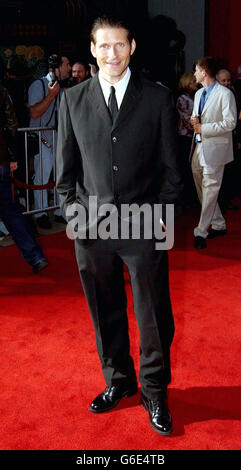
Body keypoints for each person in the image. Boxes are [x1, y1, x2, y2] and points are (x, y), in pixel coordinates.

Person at [56, 16, 183, 436]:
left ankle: (154, 390)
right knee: (104, 312)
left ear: (132, 47)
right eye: (103, 46)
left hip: (144, 225)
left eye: (120, 45)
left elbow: (171, 170)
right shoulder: (72, 100)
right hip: (91, 228)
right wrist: (75, 215)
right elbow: (65, 173)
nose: (112, 54)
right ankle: (118, 381)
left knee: (152, 315)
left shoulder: (157, 99)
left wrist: (162, 220)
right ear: (92, 50)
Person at [0, 81, 48, 274]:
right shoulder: (2, 90)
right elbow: (12, 124)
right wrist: (10, 156)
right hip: (1, 159)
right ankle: (35, 256)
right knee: (10, 210)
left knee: (9, 210)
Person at [190, 57, 237, 249]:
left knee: (210, 189)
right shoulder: (198, 93)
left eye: (195, 70)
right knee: (204, 189)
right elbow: (197, 120)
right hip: (198, 147)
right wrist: (194, 122)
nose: (193, 73)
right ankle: (218, 223)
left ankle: (201, 231)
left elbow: (230, 122)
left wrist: (204, 128)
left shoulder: (225, 94)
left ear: (203, 73)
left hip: (216, 149)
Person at [28, 54, 71, 229]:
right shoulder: (38, 85)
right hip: (41, 138)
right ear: (57, 67)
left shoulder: (61, 88)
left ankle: (60, 210)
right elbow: (34, 112)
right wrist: (51, 96)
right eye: (67, 64)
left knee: (60, 176)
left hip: (57, 138)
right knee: (42, 176)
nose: (69, 68)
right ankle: (41, 213)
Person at [176, 72, 198, 205]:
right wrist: (199, 127)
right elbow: (186, 119)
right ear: (188, 83)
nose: (196, 83)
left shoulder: (193, 96)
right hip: (185, 137)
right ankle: (187, 198)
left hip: (193, 135)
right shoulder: (182, 99)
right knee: (186, 167)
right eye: (193, 81)